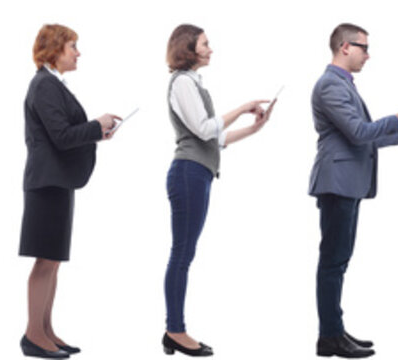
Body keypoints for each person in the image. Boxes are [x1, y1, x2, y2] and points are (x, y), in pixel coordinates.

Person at [308, 23, 398, 358]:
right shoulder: (330, 85)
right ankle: (329, 337)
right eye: (363, 47)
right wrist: (394, 118)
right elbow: (359, 133)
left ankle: (334, 331)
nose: (367, 55)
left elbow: (359, 138)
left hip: (348, 183)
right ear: (345, 46)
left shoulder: (344, 85)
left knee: (339, 261)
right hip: (337, 183)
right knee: (333, 262)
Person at [159, 23, 274, 357]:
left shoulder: (193, 83)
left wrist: (253, 128)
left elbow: (216, 139)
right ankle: (175, 330)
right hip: (188, 174)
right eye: (205, 43)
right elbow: (206, 128)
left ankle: (174, 329)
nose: (211, 49)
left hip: (199, 173)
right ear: (188, 47)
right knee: (181, 254)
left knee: (184, 253)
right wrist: (242, 107)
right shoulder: (182, 82)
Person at [19, 23, 120, 360]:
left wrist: (95, 133)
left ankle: (46, 331)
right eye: (73, 46)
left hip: (56, 183)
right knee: (45, 262)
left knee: (53, 261)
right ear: (55, 49)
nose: (78, 53)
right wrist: (97, 125)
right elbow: (61, 136)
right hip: (47, 185)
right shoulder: (45, 85)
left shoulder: (51, 84)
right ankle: (33, 335)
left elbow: (62, 134)